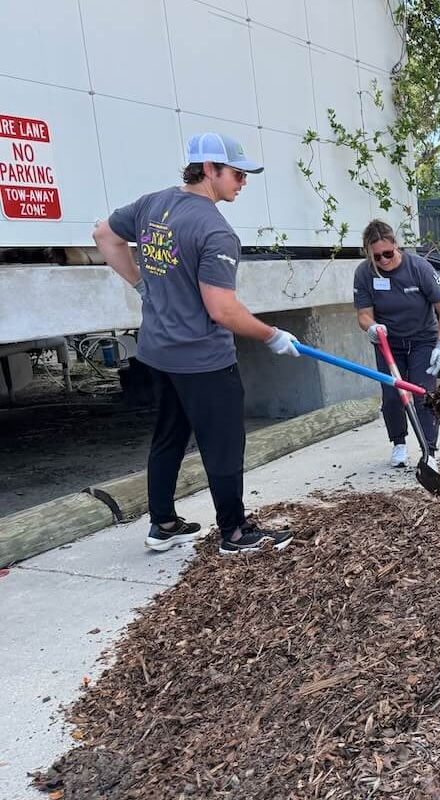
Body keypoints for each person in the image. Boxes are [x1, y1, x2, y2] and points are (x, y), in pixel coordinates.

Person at [93, 132, 298, 556]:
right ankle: (236, 533)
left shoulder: (153, 205)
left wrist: (140, 284)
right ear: (209, 169)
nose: (243, 182)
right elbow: (222, 309)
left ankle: (163, 523)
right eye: (237, 174)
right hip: (203, 358)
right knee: (223, 443)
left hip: (159, 352)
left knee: (169, 434)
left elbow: (103, 236)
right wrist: (273, 335)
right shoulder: (215, 231)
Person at [352, 220, 440, 470]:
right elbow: (363, 314)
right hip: (388, 343)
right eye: (377, 256)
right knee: (393, 397)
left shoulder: (419, 268)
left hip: (423, 340)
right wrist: (372, 327)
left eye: (388, 253)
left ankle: (429, 452)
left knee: (422, 394)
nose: (384, 260)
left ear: (396, 245)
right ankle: (399, 442)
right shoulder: (364, 273)